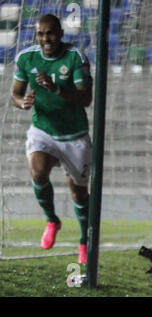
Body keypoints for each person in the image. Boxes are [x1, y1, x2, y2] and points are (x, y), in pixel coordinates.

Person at [10, 14, 93, 264]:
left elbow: (86, 98)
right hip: (43, 130)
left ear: (61, 34)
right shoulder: (26, 58)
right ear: (36, 35)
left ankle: (83, 241)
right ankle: (52, 220)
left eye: (51, 33)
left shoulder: (75, 58)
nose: (46, 39)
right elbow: (15, 93)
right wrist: (22, 102)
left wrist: (56, 88)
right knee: (37, 172)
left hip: (74, 135)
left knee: (79, 194)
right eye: (41, 34)